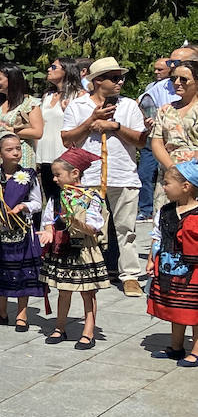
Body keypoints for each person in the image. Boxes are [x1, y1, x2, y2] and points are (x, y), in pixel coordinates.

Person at [62, 57, 146, 296]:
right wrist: (91, 122)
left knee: (126, 228)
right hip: (88, 177)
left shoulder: (129, 105)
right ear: (98, 81)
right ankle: (91, 270)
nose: (120, 82)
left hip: (122, 174)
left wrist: (115, 127)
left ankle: (130, 275)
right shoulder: (78, 106)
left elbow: (141, 140)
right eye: (114, 78)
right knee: (88, 226)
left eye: (121, 77)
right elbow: (67, 140)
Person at [0, 133, 45, 330]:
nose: (15, 153)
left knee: (22, 272)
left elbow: (37, 203)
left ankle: (22, 315)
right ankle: (1, 312)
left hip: (20, 230)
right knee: (0, 271)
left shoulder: (29, 175)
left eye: (18, 149)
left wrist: (23, 206)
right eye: (9, 149)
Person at [40, 148, 109, 348]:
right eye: (54, 175)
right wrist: (48, 232)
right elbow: (48, 220)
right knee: (64, 290)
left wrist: (75, 222)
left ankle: (88, 330)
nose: (54, 179)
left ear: (75, 173)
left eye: (58, 175)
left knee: (88, 292)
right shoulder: (56, 198)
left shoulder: (91, 198)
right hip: (64, 249)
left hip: (84, 250)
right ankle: (59, 327)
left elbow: (94, 228)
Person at [147, 162, 198, 366]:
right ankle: (176, 346)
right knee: (176, 308)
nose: (164, 187)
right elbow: (157, 236)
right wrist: (152, 258)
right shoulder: (166, 210)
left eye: (167, 183)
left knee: (195, 310)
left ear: (186, 186)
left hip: (194, 272)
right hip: (170, 267)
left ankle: (196, 350)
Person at [38, 58, 88, 210]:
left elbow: (86, 125)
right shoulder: (47, 95)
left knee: (67, 200)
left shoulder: (79, 95)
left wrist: (68, 111)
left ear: (66, 70)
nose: (49, 69)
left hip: (65, 155)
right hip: (45, 155)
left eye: (54, 67)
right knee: (51, 199)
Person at [138, 56, 177, 219]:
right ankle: (146, 210)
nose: (156, 72)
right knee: (145, 174)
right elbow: (140, 102)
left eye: (160, 69)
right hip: (156, 138)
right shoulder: (156, 87)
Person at [0, 64, 43, 172]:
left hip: (19, 156)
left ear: (11, 80)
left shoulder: (29, 104)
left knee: (19, 185)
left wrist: (12, 130)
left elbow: (38, 132)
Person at [150, 59, 198, 172]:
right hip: (170, 171)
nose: (177, 83)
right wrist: (173, 169)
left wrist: (190, 169)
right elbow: (157, 143)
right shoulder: (165, 110)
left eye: (183, 79)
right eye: (173, 79)